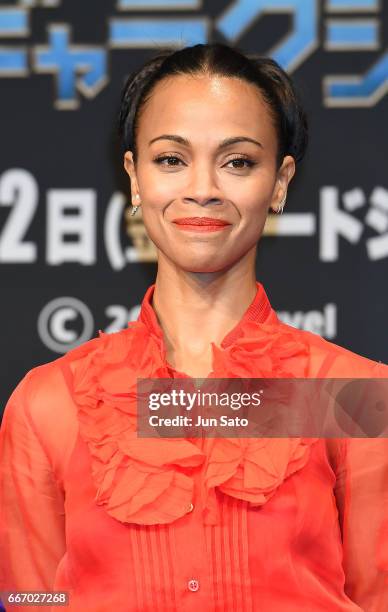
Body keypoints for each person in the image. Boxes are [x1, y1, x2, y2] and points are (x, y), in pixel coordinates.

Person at [1, 42, 388, 612]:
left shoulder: (348, 395)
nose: (202, 188)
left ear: (279, 182)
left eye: (238, 162)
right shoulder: (52, 401)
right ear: (134, 176)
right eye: (171, 159)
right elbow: (32, 599)